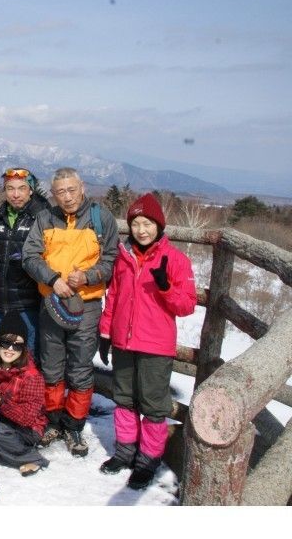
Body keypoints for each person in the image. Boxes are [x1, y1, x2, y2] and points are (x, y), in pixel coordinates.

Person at [98, 193, 196, 490]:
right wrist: (106, 334)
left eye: (148, 224)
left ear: (159, 225)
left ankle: (148, 459)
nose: (141, 230)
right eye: (136, 224)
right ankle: (125, 452)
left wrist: (166, 287)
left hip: (155, 345)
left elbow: (187, 305)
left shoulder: (175, 260)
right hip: (124, 343)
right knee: (124, 400)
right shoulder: (124, 257)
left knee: (154, 406)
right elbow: (113, 297)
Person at [22, 167, 119, 457]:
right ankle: (53, 421)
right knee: (51, 365)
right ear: (53, 194)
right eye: (60, 192)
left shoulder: (101, 219)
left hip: (86, 304)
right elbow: (29, 256)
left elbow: (111, 259)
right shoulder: (45, 218)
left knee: (80, 366)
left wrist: (88, 276)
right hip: (51, 301)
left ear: (82, 188)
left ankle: (74, 425)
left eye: (72, 190)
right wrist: (53, 279)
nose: (67, 197)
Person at [0, 166, 49, 362]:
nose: (15, 194)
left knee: (27, 357)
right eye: (10, 188)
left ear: (31, 190)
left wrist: (29, 263)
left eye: (21, 188)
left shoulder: (42, 217)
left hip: (29, 302)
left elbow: (51, 256)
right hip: (0, 300)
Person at [0, 310, 50, 476]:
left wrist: (2, 402)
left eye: (17, 345)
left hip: (27, 428)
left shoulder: (31, 376)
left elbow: (28, 418)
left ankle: (31, 458)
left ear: (23, 348)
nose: (10, 349)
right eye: (6, 343)